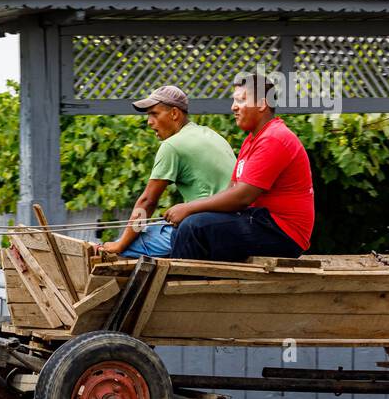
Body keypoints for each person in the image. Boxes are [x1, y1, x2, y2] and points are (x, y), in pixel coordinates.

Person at [164, 72, 315, 262]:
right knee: (185, 227)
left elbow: (243, 196)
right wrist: (191, 212)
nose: (233, 107)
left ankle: (184, 289)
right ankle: (200, 283)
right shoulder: (251, 141)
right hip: (260, 221)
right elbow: (231, 190)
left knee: (194, 227)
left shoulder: (275, 138)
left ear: (261, 104)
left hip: (283, 232)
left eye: (241, 100)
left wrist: (189, 208)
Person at [98, 85, 236, 258]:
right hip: (231, 226)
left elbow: (147, 202)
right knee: (148, 230)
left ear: (174, 114)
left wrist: (120, 244)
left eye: (154, 114)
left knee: (123, 247)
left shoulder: (172, 145)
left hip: (200, 231)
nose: (149, 122)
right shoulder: (211, 134)